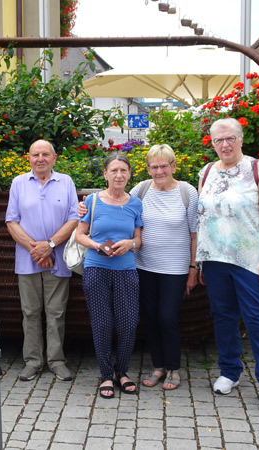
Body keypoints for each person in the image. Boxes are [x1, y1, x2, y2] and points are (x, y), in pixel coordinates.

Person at [79, 145, 199, 391]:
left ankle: (162, 369)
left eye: (164, 166)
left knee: (155, 319)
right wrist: (87, 218)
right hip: (132, 266)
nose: (159, 171)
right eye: (154, 166)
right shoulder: (134, 192)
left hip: (166, 267)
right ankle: (139, 370)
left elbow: (191, 233)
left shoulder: (181, 193)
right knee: (137, 319)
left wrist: (193, 267)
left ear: (174, 166)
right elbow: (88, 226)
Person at [197, 117, 259, 411]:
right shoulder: (206, 172)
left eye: (230, 138)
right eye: (219, 140)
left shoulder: (257, 168)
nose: (225, 144)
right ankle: (230, 371)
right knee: (223, 317)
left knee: (258, 319)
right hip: (215, 260)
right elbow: (202, 218)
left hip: (250, 261)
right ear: (212, 143)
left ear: (241, 139)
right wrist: (200, 261)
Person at [5, 140, 79, 382]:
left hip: (58, 258)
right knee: (30, 312)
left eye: (45, 154)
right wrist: (36, 250)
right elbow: (11, 221)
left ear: (54, 158)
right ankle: (33, 361)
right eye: (35, 154)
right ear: (28, 158)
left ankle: (56, 361)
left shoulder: (66, 182)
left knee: (56, 312)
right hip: (28, 260)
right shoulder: (18, 183)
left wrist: (50, 246)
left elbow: (73, 219)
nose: (40, 159)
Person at [75, 153, 143, 399]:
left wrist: (129, 244)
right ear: (105, 174)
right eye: (114, 170)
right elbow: (79, 235)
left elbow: (138, 239)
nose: (119, 175)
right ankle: (106, 374)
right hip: (96, 268)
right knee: (102, 323)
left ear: (129, 174)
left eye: (123, 170)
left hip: (126, 270)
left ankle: (121, 371)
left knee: (128, 323)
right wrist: (96, 246)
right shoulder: (92, 201)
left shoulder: (135, 203)